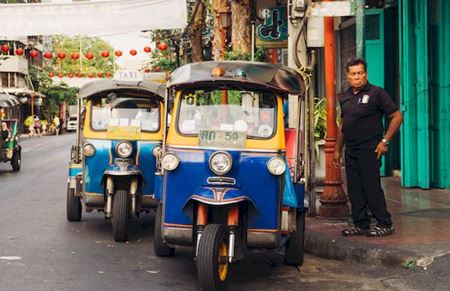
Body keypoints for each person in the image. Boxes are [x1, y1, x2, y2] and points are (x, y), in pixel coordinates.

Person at [334, 58, 403, 237]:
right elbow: (343, 125)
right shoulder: (345, 97)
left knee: (371, 188)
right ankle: (361, 224)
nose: (357, 77)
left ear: (366, 74)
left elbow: (397, 117)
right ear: (347, 76)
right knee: (355, 189)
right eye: (353, 74)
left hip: (371, 148)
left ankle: (385, 223)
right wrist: (337, 150)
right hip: (351, 150)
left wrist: (385, 141)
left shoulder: (377, 93)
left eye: (360, 73)